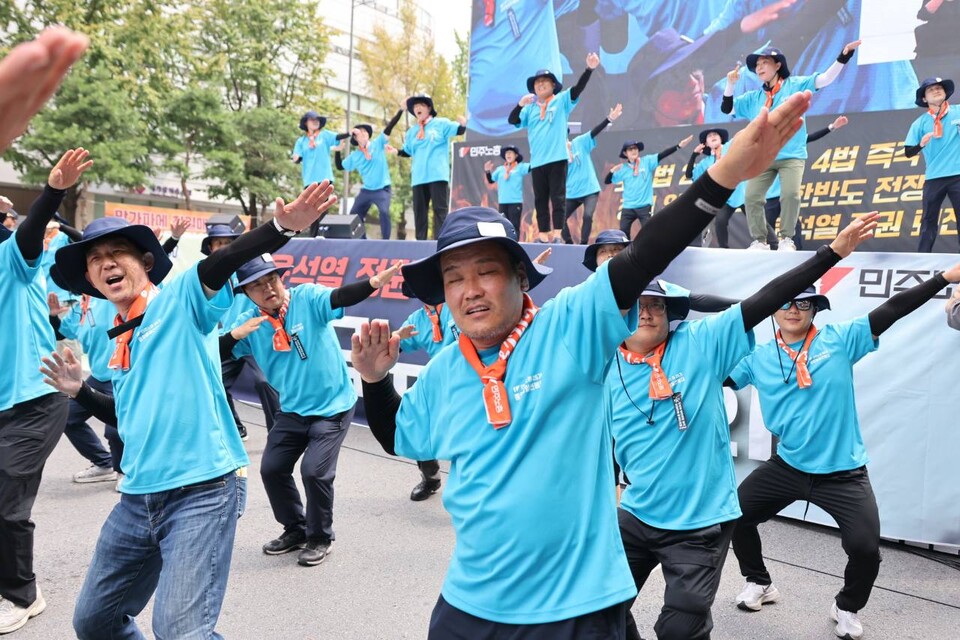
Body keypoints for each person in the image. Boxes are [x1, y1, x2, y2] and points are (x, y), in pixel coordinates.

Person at [349, 90, 816, 638]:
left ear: (521, 277)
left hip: (578, 609)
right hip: (468, 607)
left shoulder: (568, 326)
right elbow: (401, 437)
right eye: (453, 278)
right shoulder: (447, 370)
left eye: (485, 272)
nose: (470, 290)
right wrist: (376, 381)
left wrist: (726, 174)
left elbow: (642, 260)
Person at [40, 180, 339, 638]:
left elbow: (222, 262)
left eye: (115, 252)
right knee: (95, 621)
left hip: (203, 490)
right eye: (94, 261)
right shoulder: (118, 336)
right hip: (139, 496)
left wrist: (280, 227)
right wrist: (79, 391)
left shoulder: (178, 302)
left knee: (181, 630)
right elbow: (125, 416)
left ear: (144, 262)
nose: (105, 264)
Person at [610, 213, 878, 640]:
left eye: (656, 305)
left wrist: (833, 254)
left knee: (681, 627)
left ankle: (846, 605)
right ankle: (759, 579)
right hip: (643, 512)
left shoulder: (702, 344)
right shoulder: (605, 363)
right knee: (597, 612)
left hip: (715, 517)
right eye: (637, 305)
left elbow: (767, 298)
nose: (646, 313)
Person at [728, 262, 960, 640]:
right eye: (785, 302)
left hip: (843, 473)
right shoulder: (758, 357)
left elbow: (893, 309)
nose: (792, 309)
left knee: (866, 549)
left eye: (803, 303)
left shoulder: (839, 339)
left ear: (815, 309)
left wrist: (943, 279)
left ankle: (846, 606)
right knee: (736, 516)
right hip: (787, 466)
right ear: (772, 309)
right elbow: (712, 375)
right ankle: (760, 582)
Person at [220, 256, 399, 567]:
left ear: (281, 279)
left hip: (333, 406)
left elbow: (339, 297)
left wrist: (372, 283)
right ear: (245, 293)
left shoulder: (307, 299)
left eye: (272, 280)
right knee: (271, 468)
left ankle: (320, 537)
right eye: (257, 286)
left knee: (314, 472)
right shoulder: (250, 322)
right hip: (292, 410)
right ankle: (296, 528)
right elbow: (215, 353)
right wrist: (235, 335)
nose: (268, 288)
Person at [0, 149, 91, 635]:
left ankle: (21, 594)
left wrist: (54, 190)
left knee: (7, 501)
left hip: (36, 398)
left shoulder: (10, 259)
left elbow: (29, 232)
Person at [722, 42, 861, 250]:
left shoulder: (795, 85)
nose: (759, 67)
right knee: (751, 196)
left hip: (791, 155)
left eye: (765, 63)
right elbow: (727, 108)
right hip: (762, 157)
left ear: (778, 65)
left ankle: (787, 238)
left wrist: (844, 55)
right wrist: (730, 85)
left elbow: (825, 79)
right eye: (757, 64)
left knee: (790, 195)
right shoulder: (754, 98)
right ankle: (759, 241)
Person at [509, 54, 600, 243]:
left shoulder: (560, 101)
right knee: (540, 200)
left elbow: (577, 90)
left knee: (558, 198)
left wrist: (588, 70)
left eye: (545, 81)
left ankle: (558, 234)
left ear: (553, 85)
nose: (541, 84)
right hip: (537, 161)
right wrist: (519, 105)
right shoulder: (530, 109)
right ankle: (543, 236)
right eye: (537, 82)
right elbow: (513, 120)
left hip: (557, 158)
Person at [202, 223, 281, 438]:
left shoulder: (248, 267)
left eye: (229, 243)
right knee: (211, 378)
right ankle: (236, 427)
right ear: (210, 247)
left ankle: (279, 435)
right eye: (219, 243)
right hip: (228, 339)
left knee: (265, 382)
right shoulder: (205, 277)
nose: (224, 247)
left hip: (255, 336)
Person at [763, 116, 848, 249]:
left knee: (793, 225)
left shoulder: (794, 142)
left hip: (787, 194)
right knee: (767, 227)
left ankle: (796, 253)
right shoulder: (766, 142)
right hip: (769, 195)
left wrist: (833, 126)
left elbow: (811, 137)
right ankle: (769, 254)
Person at [904, 77, 960, 253]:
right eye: (931, 89)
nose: (937, 90)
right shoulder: (919, 123)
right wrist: (920, 144)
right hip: (934, 177)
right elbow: (908, 152)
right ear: (924, 99)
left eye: (939, 88)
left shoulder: (958, 111)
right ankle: (922, 260)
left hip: (958, 175)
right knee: (928, 220)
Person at [399, 94, 467, 240]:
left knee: (439, 211)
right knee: (419, 213)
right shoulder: (412, 132)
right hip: (418, 177)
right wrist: (395, 151)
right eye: (415, 107)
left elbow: (460, 130)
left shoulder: (441, 124)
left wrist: (463, 124)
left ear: (429, 108)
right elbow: (407, 151)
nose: (417, 108)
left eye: (421, 105)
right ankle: (420, 243)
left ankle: (441, 241)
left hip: (437, 175)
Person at [606, 135, 693, 239]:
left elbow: (662, 155)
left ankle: (647, 253)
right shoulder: (622, 168)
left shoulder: (646, 161)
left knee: (648, 232)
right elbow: (607, 181)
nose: (634, 151)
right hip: (628, 207)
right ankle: (626, 253)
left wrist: (678, 146)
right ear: (625, 153)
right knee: (623, 233)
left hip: (644, 206)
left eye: (635, 148)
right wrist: (612, 171)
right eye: (630, 149)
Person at [562, 104, 622, 245]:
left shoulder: (579, 142)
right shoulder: (556, 155)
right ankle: (569, 243)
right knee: (560, 219)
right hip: (571, 193)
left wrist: (609, 119)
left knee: (588, 216)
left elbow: (594, 132)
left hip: (589, 190)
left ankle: (583, 244)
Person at [335, 114, 403, 240]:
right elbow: (340, 166)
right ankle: (363, 240)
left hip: (382, 189)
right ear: (355, 138)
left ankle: (385, 241)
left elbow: (389, 127)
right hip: (366, 190)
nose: (364, 133)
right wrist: (338, 150)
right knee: (354, 214)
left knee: (384, 211)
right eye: (360, 132)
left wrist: (401, 110)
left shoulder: (377, 144)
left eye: (365, 131)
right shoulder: (355, 156)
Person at [292, 111, 349, 237]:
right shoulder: (301, 141)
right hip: (309, 180)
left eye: (317, 120)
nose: (315, 122)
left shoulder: (324, 135)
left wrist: (350, 133)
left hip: (324, 178)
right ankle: (313, 236)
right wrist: (296, 158)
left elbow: (338, 137)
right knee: (310, 209)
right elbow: (297, 157)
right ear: (306, 122)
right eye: (312, 120)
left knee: (322, 207)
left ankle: (321, 235)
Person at [484, 146, 531, 232]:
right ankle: (505, 245)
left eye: (511, 152)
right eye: (507, 153)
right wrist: (487, 171)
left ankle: (514, 244)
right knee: (503, 226)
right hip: (502, 202)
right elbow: (491, 180)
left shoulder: (520, 167)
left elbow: (532, 166)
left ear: (516, 155)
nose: (508, 154)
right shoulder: (500, 169)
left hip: (515, 202)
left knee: (514, 226)